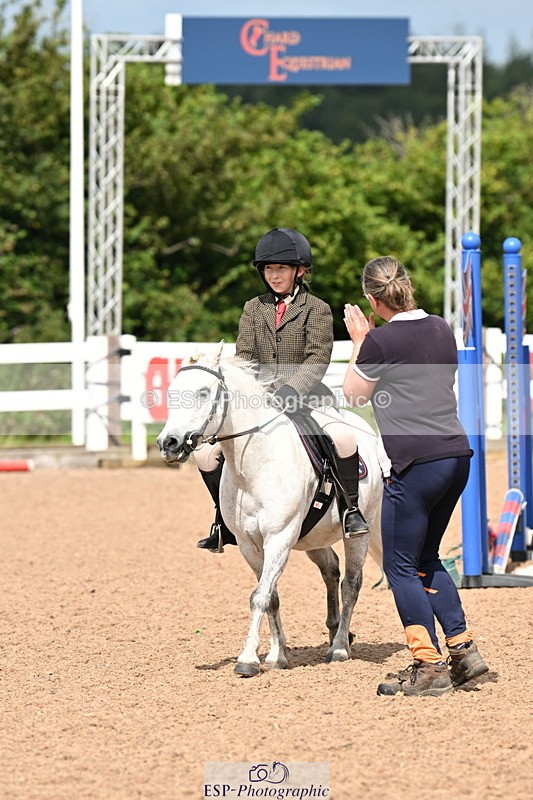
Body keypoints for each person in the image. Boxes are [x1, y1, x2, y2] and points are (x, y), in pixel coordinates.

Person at [343, 255, 489, 696]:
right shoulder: (442, 328)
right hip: (455, 456)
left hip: (415, 464)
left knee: (400, 565)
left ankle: (428, 667)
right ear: (406, 286)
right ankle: (463, 651)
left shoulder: (380, 342)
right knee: (425, 558)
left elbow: (353, 396)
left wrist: (359, 341)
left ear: (372, 299)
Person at [195, 227, 368, 552]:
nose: (275, 275)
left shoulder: (316, 308)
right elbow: (245, 356)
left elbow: (317, 357)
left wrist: (290, 390)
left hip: (307, 399)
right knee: (205, 454)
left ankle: (350, 511)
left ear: (299, 271)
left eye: (282, 269)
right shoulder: (253, 308)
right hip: (260, 403)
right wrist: (250, 394)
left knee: (344, 439)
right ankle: (224, 520)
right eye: (269, 269)